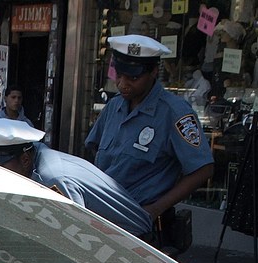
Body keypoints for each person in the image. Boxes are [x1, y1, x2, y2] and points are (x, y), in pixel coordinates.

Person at [85, 35, 214, 233]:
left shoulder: (175, 112)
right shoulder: (114, 106)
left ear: (154, 71)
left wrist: (154, 209)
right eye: (119, 75)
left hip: (141, 224)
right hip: (101, 217)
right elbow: (94, 151)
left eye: (133, 77)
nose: (122, 83)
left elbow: (202, 170)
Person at [0, 118, 154, 238]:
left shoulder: (54, 180)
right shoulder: (33, 157)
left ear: (25, 159)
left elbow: (72, 240)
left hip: (134, 246)